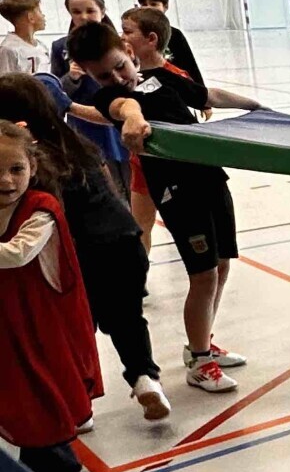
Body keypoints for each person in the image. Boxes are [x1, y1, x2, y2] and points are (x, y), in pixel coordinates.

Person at [68, 17, 257, 393]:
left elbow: (206, 96)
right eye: (104, 76)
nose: (117, 78)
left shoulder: (161, 77)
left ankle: (202, 343)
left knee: (221, 266)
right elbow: (125, 107)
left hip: (211, 179)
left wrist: (256, 106)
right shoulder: (109, 98)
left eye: (120, 66)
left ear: (128, 51)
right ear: (91, 77)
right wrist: (133, 118)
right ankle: (200, 362)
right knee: (203, 275)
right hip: (178, 192)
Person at [0, 76, 170, 422]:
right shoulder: (78, 144)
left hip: (81, 254)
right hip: (124, 239)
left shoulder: (28, 163)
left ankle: (79, 402)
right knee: (127, 318)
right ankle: (145, 379)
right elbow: (111, 189)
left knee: (73, 331)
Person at [0, 119, 103, 472]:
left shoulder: (42, 209)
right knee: (20, 405)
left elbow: (17, 254)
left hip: (37, 330)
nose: (6, 180)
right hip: (6, 330)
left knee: (41, 404)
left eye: (16, 169)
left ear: (33, 167)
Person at [48, 0, 130, 195]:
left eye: (90, 11)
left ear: (102, 11)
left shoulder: (120, 43)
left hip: (119, 115)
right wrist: (71, 77)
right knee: (105, 182)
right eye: (76, 12)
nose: (83, 17)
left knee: (132, 177)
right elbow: (56, 89)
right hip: (85, 121)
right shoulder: (61, 47)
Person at [133, 0, 205, 88]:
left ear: (165, 6)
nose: (148, 8)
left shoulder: (175, 35)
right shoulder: (136, 35)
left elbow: (190, 66)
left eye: (154, 4)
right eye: (144, 4)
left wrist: (200, 91)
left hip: (174, 85)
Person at [0, 0, 50, 76]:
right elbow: (6, 80)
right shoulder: (8, 49)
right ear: (30, 17)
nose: (43, 15)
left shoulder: (41, 46)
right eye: (40, 11)